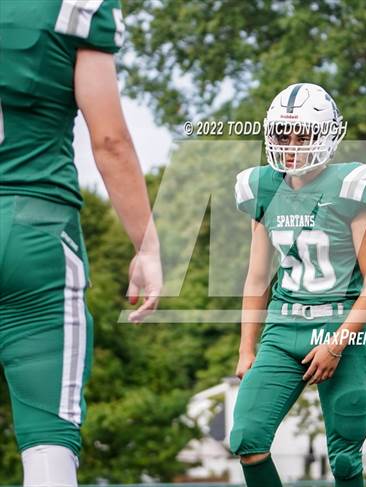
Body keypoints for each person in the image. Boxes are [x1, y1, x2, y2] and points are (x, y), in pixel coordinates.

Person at [0, 1, 162, 485]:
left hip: (34, 226)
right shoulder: (76, 6)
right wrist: (147, 246)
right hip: (35, 231)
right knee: (48, 439)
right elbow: (110, 141)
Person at [231, 83, 366, 487]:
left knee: (345, 458)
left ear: (326, 135)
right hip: (282, 329)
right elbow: (257, 279)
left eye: (302, 135)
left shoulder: (351, 186)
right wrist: (247, 348)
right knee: (247, 439)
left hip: (340, 323)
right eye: (282, 134)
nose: (290, 145)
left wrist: (336, 345)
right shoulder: (264, 187)